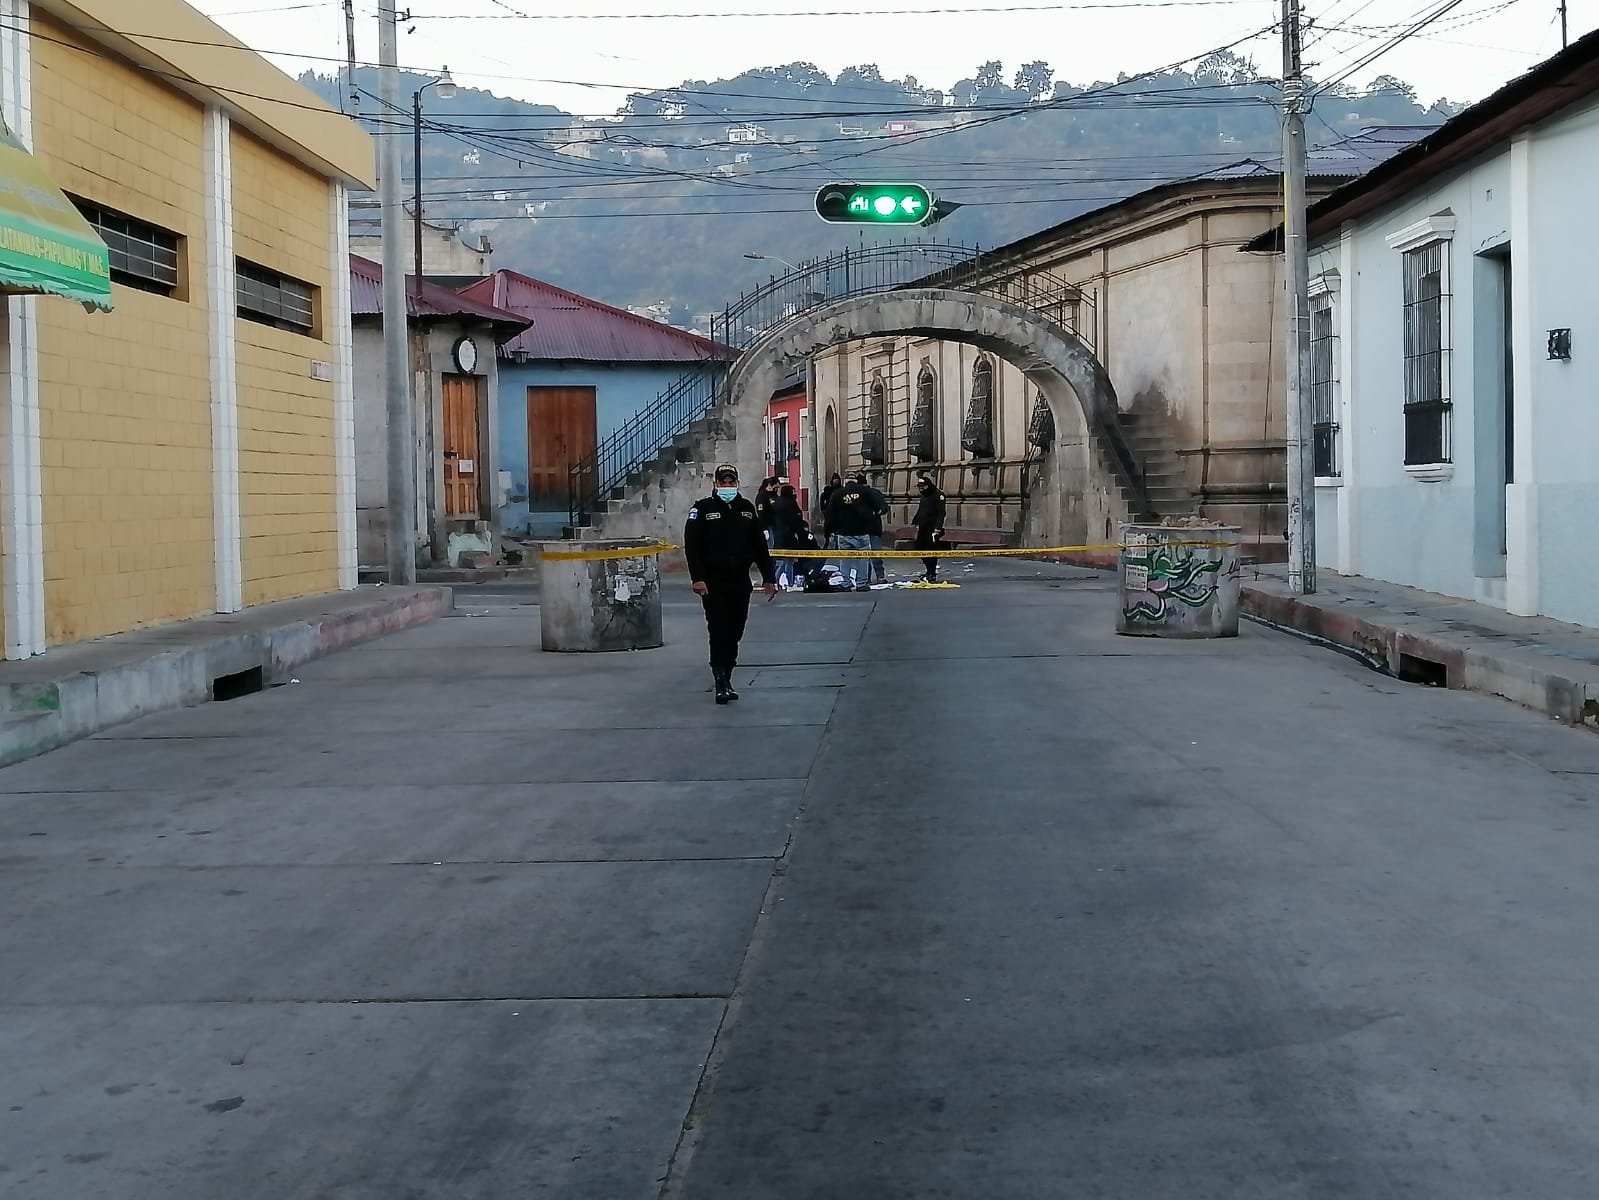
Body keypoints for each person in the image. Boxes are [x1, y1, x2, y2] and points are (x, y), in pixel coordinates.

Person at [685, 463, 777, 704]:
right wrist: (698, 578)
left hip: (740, 582)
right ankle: (720, 679)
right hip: (713, 583)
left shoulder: (745, 508)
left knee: (735, 631)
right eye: (723, 483)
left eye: (731, 482)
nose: (728, 486)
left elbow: (759, 546)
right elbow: (692, 547)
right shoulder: (702, 509)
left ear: (736, 483)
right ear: (715, 484)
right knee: (718, 631)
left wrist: (769, 578)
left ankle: (729, 674)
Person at [824, 471, 886, 591]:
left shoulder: (837, 494)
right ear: (856, 481)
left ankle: (846, 583)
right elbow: (881, 507)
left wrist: (830, 531)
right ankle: (862, 583)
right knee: (863, 558)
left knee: (845, 559)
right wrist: (873, 517)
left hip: (843, 532)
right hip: (862, 531)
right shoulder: (865, 492)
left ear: (845, 481)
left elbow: (830, 514)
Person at [912, 474, 947, 583]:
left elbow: (941, 513)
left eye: (923, 486)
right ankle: (928, 570)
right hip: (922, 526)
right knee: (919, 548)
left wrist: (937, 528)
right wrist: (916, 521)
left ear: (928, 486)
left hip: (932, 528)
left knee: (931, 550)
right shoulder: (924, 496)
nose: (921, 489)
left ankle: (931, 572)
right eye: (919, 487)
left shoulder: (938, 495)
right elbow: (921, 509)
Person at [769, 483, 805, 588]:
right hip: (788, 534)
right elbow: (795, 520)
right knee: (789, 560)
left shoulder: (777, 503)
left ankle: (776, 579)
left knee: (787, 560)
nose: (795, 494)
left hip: (779, 533)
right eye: (793, 492)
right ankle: (790, 582)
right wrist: (800, 532)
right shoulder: (790, 504)